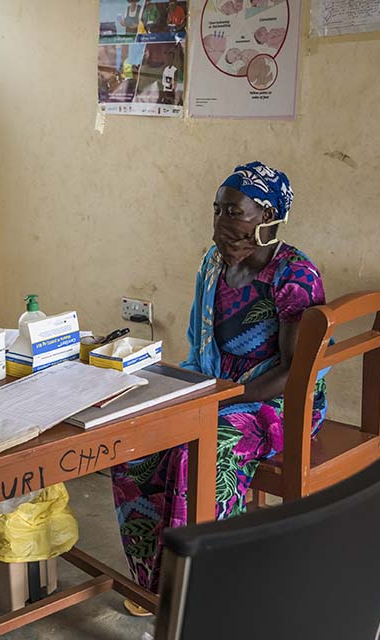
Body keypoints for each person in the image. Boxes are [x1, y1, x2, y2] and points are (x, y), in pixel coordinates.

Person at [111, 162, 327, 611]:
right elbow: (199, 343)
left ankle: (202, 586)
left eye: (234, 213)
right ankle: (154, 581)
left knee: (199, 449)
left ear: (267, 218)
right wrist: (194, 391)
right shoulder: (213, 264)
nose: (220, 224)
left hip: (279, 399)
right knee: (136, 439)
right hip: (216, 382)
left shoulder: (295, 276)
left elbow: (295, 371)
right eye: (216, 212)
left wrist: (223, 398)